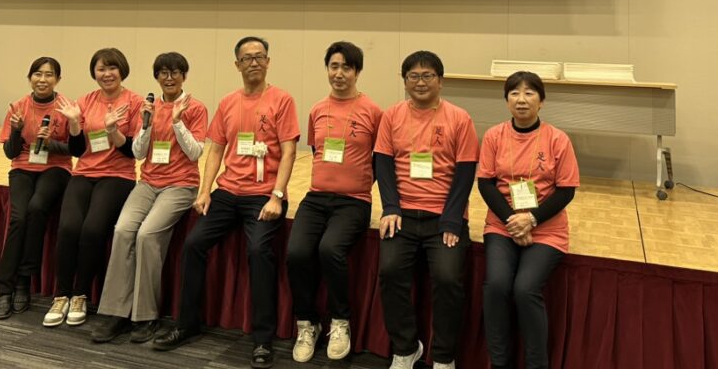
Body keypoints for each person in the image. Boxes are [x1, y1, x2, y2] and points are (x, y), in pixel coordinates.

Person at [153, 36, 299, 369]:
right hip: (228, 192)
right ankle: (187, 324)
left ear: (268, 62)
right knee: (193, 244)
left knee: (259, 251)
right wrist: (205, 191)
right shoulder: (228, 102)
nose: (253, 62)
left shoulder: (282, 100)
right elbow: (216, 148)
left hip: (263, 195)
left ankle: (262, 338)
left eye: (259, 56)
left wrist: (277, 196)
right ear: (237, 65)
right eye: (247, 58)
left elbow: (289, 151)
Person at [91, 52, 208, 345]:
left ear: (184, 75)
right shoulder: (149, 107)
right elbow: (138, 153)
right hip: (148, 183)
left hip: (181, 185)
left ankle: (146, 315)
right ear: (156, 77)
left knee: (146, 235)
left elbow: (195, 153)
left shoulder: (195, 107)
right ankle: (117, 312)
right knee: (122, 230)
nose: (169, 78)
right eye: (163, 73)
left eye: (175, 72)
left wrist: (178, 122)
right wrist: (145, 124)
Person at [375, 50, 478, 369]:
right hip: (402, 213)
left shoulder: (459, 118)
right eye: (413, 76)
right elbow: (383, 162)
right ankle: (406, 348)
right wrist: (390, 207)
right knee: (390, 271)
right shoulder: (392, 115)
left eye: (427, 75)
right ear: (405, 81)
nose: (420, 82)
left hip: (444, 217)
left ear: (440, 81)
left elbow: (466, 171)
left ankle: (444, 357)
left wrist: (452, 219)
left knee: (448, 278)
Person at [286, 41, 382, 362]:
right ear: (327, 69)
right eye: (334, 66)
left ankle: (340, 321)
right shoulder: (317, 109)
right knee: (297, 252)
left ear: (357, 72)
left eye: (346, 67)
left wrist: (358, 183)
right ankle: (307, 323)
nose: (339, 73)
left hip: (353, 201)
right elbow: (317, 151)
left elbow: (380, 158)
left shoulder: (372, 111)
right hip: (316, 197)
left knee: (330, 249)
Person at [477, 71, 579, 369]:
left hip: (547, 228)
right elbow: (485, 184)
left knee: (525, 289)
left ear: (541, 101)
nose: (521, 100)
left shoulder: (557, 139)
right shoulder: (494, 136)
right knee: (496, 286)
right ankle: (499, 364)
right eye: (514, 93)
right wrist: (514, 221)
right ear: (506, 100)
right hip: (502, 224)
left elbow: (566, 190)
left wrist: (531, 220)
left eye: (529, 93)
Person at [42, 48, 142, 328]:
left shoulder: (134, 102)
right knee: (68, 228)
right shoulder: (85, 100)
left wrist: (112, 130)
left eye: (112, 68)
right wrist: (74, 123)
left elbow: (133, 151)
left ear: (122, 70)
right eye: (101, 69)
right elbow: (77, 150)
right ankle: (61, 295)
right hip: (84, 172)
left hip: (118, 175)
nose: (107, 74)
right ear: (94, 73)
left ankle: (80, 294)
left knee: (92, 230)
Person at [0, 57, 83, 319]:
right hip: (22, 167)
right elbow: (11, 152)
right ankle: (5, 289)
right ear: (30, 77)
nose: (43, 80)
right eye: (37, 74)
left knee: (36, 207)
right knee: (18, 218)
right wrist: (16, 131)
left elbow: (77, 150)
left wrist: (52, 143)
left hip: (56, 168)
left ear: (58, 79)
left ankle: (24, 281)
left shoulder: (66, 107)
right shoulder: (18, 106)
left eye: (49, 74)